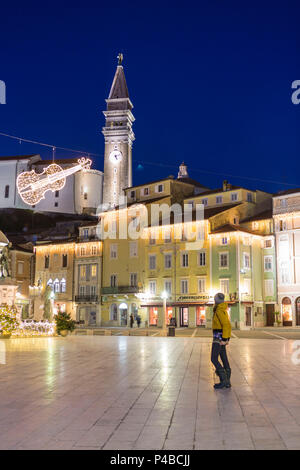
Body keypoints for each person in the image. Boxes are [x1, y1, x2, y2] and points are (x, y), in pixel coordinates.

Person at [211, 293, 232, 389]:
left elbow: (226, 324)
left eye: (215, 299)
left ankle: (224, 380)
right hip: (221, 337)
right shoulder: (222, 309)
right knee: (224, 358)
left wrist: (224, 339)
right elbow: (227, 324)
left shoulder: (219, 310)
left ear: (216, 301)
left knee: (214, 358)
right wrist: (226, 338)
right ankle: (227, 381)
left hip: (218, 338)